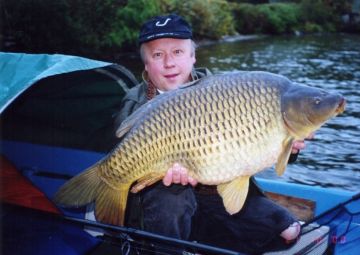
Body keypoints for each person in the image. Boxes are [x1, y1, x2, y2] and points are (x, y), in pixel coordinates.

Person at [114, 14, 310, 254]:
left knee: (288, 232)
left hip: (217, 188)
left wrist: (289, 147)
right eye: (157, 55)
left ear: (193, 56)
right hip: (160, 196)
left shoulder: (219, 90)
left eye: (177, 52)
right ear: (146, 64)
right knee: (173, 201)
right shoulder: (135, 103)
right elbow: (122, 153)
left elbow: (251, 145)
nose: (169, 63)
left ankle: (199, 232)